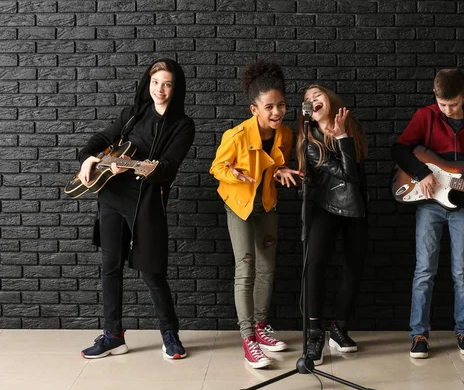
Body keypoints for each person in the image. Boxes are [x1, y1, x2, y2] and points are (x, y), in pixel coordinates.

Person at [78, 59, 195, 359]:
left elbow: (168, 166)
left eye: (167, 83)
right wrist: (90, 158)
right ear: (148, 83)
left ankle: (169, 334)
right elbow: (103, 139)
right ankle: (113, 335)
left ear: (175, 87)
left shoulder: (183, 125)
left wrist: (139, 169)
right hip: (112, 196)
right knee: (110, 267)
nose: (160, 89)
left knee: (152, 271)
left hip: (146, 201)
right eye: (156, 82)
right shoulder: (133, 114)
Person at [391, 68, 464, 359]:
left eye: (453, 104)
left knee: (463, 273)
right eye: (442, 104)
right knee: (424, 271)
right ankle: (418, 335)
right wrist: (421, 173)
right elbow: (399, 150)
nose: (447, 109)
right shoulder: (425, 116)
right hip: (429, 203)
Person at [209, 60, 301, 369]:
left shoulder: (285, 134)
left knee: (267, 269)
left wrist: (283, 170)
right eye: (269, 107)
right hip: (239, 206)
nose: (277, 112)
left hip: (267, 205)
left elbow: (274, 166)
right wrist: (234, 173)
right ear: (254, 109)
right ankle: (248, 338)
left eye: (281, 105)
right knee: (245, 269)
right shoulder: (235, 136)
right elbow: (216, 168)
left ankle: (261, 328)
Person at [297, 85, 369, 366]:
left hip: (356, 207)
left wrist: (343, 135)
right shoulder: (309, 141)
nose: (312, 101)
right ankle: (315, 332)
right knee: (314, 265)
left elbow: (358, 177)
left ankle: (339, 327)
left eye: (318, 96)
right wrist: (341, 139)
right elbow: (347, 174)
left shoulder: (353, 128)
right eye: (307, 100)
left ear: (329, 100)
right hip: (324, 206)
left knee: (354, 266)